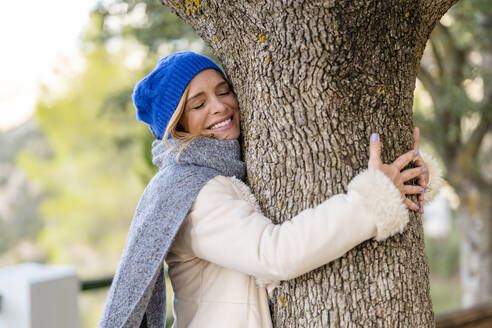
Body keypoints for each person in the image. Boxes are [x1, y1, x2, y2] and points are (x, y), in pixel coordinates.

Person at [99, 51, 443, 328]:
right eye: (198, 104)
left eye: (223, 91)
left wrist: (406, 177)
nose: (219, 106)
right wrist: (370, 201)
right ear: (178, 124)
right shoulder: (196, 194)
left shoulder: (225, 170)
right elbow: (275, 254)